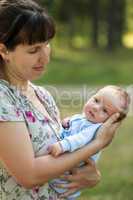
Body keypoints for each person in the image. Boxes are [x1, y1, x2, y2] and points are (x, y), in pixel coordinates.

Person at [0, 0, 122, 199]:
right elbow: (29, 175)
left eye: (46, 45)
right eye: (33, 50)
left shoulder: (42, 95)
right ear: (4, 51)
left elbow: (63, 157)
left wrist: (92, 175)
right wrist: (98, 143)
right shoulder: (3, 99)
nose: (45, 57)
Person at [49, 85, 130, 199]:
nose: (96, 107)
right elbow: (74, 122)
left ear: (110, 122)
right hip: (59, 168)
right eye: (96, 100)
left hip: (63, 183)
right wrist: (67, 122)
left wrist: (62, 145)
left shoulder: (95, 129)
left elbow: (79, 139)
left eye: (105, 110)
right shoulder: (85, 118)